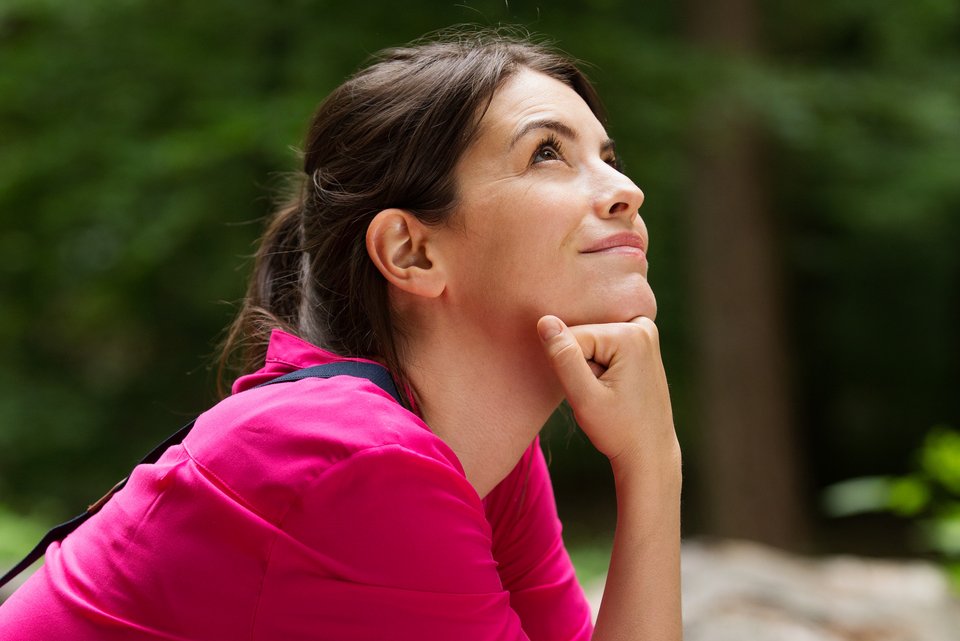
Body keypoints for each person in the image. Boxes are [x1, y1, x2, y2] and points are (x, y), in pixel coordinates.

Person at [0, 27, 682, 640]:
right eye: (547, 154)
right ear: (412, 252)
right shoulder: (353, 459)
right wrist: (653, 467)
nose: (625, 188)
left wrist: (651, 463)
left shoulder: (483, 463)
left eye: (608, 155)